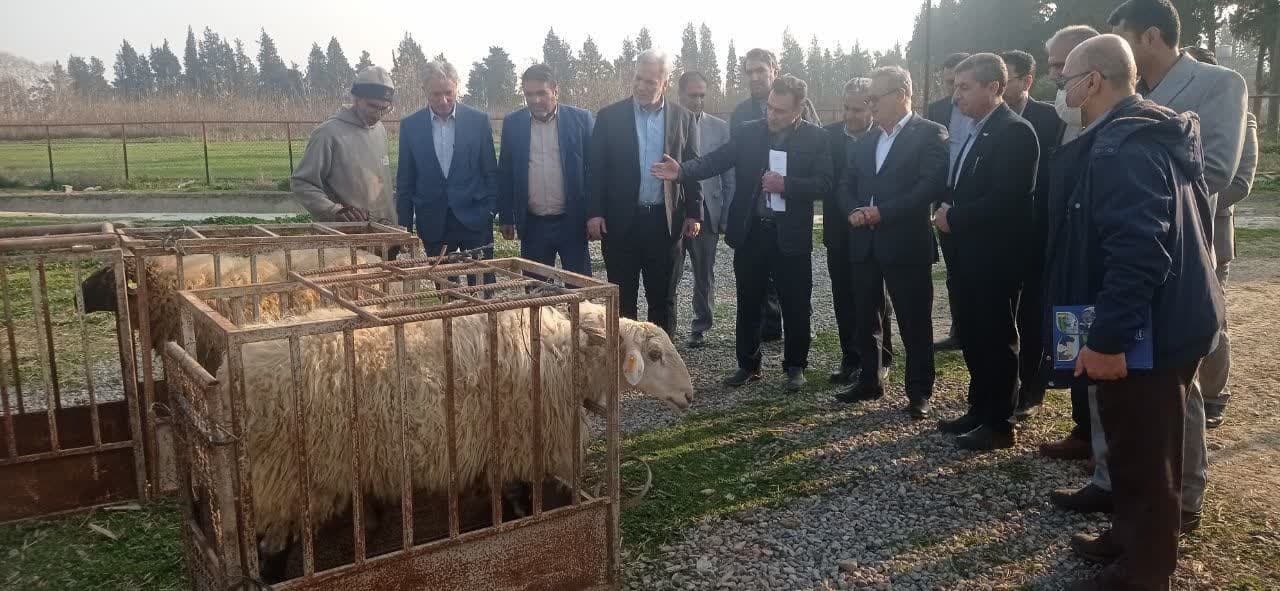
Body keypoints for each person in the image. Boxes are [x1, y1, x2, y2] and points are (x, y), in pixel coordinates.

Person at [1053, 0, 1248, 530]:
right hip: (1121, 256)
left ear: (1150, 37)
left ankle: (1175, 501)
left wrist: (1157, 207)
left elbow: (1215, 170)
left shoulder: (1207, 90)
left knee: (1165, 398)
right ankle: (1114, 483)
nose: (1061, 89)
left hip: (1169, 260)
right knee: (1118, 392)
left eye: (1065, 77)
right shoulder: (1122, 114)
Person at [652, 75, 832, 392]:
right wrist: (682, 171)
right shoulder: (750, 132)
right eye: (770, 107)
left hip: (790, 236)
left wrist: (786, 185)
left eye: (780, 110)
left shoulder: (816, 138)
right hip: (752, 233)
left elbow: (825, 184)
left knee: (795, 303)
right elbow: (716, 160)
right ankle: (748, 364)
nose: (772, 115)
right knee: (749, 301)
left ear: (799, 109)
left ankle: (795, 366)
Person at [933, 53, 1039, 451]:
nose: (955, 96)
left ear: (993, 87)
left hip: (996, 257)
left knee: (996, 337)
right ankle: (979, 409)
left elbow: (1007, 200)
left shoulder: (1015, 132)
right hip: (969, 255)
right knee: (974, 334)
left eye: (964, 87)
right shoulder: (980, 129)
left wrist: (955, 217)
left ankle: (1000, 422)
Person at [834, 66, 948, 419]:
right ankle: (870, 380)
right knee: (865, 317)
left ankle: (919, 391)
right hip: (864, 242)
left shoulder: (929, 133)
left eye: (875, 98)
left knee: (914, 321)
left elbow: (928, 187)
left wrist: (882, 213)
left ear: (901, 94)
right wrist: (853, 210)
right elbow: (845, 182)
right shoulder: (868, 140)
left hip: (905, 243)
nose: (870, 105)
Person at [587, 49, 702, 337]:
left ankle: (661, 358)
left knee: (663, 299)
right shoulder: (609, 117)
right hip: (621, 223)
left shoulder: (683, 118)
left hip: (665, 224)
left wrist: (694, 213)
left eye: (650, 81)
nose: (641, 86)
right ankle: (625, 357)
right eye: (638, 78)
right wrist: (594, 213)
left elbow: (692, 167)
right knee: (622, 299)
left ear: (665, 82)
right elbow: (596, 170)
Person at [1180, 45, 1257, 429]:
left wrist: (1190, 199)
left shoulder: (1242, 117)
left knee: (1214, 317)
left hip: (1214, 230)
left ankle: (1213, 394)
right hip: (1179, 229)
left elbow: (1239, 182)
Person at [1039, 24, 1102, 463]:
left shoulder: (1117, 127)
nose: (1055, 76)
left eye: (1063, 66)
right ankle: (1084, 426)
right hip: (1063, 247)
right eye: (1052, 66)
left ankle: (1107, 445)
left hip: (1095, 251)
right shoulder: (1059, 118)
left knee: (1101, 339)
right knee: (1074, 333)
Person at [999, 49, 1068, 422]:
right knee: (1001, 313)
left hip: (1041, 231)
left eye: (1006, 78)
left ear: (1026, 81)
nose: (999, 84)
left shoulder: (1051, 118)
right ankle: (1002, 385)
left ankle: (1032, 385)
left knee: (1033, 313)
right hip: (1002, 232)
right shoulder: (991, 120)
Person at [732, 48, 815, 343]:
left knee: (793, 293)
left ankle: (794, 353)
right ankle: (760, 340)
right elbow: (728, 158)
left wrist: (787, 184)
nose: (754, 77)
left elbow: (819, 167)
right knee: (751, 293)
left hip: (790, 223)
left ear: (774, 71)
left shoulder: (806, 115)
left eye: (760, 70)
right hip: (754, 220)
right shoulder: (742, 115)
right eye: (750, 71)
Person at [396, 61, 499, 281]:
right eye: (436, 94)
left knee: (483, 286)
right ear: (424, 90)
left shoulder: (478, 121)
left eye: (448, 93)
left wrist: (490, 210)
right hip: (433, 220)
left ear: (456, 88)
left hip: (475, 217)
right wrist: (404, 225)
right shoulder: (410, 126)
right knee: (445, 288)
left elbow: (490, 171)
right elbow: (405, 179)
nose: (443, 100)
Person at [824, 77, 894, 385]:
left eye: (857, 109)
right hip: (840, 229)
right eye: (846, 108)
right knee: (843, 296)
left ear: (872, 106)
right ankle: (850, 358)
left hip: (874, 228)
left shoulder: (884, 136)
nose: (850, 116)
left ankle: (882, 358)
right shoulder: (828, 136)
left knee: (875, 298)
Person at [497, 64, 595, 277]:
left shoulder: (580, 120)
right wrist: (506, 216)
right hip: (533, 225)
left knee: (579, 288)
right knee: (536, 289)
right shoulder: (513, 124)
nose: (535, 100)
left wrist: (594, 214)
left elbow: (594, 171)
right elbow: (505, 172)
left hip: (572, 222)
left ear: (555, 90)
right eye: (529, 94)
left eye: (541, 93)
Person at [291, 66, 398, 227]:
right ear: (356, 99)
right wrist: (333, 210)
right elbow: (302, 183)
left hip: (385, 229)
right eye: (372, 106)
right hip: (347, 231)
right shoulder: (327, 134)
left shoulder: (379, 130)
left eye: (384, 109)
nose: (378, 114)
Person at [675, 71, 735, 349]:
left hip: (708, 211)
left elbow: (729, 176)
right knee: (670, 272)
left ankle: (701, 325)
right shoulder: (668, 122)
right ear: (680, 94)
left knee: (704, 272)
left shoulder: (720, 128)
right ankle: (666, 323)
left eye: (702, 95)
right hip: (674, 210)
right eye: (692, 95)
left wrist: (725, 214)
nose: (698, 101)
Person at [925, 52, 972, 352]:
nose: (953, 90)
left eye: (959, 83)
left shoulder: (988, 114)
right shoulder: (937, 110)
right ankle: (959, 330)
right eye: (947, 83)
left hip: (976, 198)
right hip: (946, 197)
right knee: (954, 270)